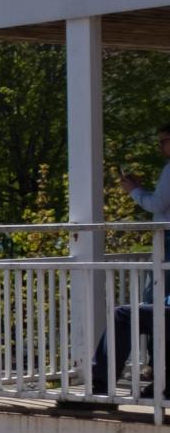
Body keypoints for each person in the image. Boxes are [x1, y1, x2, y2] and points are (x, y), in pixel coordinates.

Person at [92, 125, 170, 395]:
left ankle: (100, 386)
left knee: (135, 312)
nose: (161, 147)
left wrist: (135, 191)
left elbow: (158, 205)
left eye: (164, 141)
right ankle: (161, 381)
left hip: (166, 246)